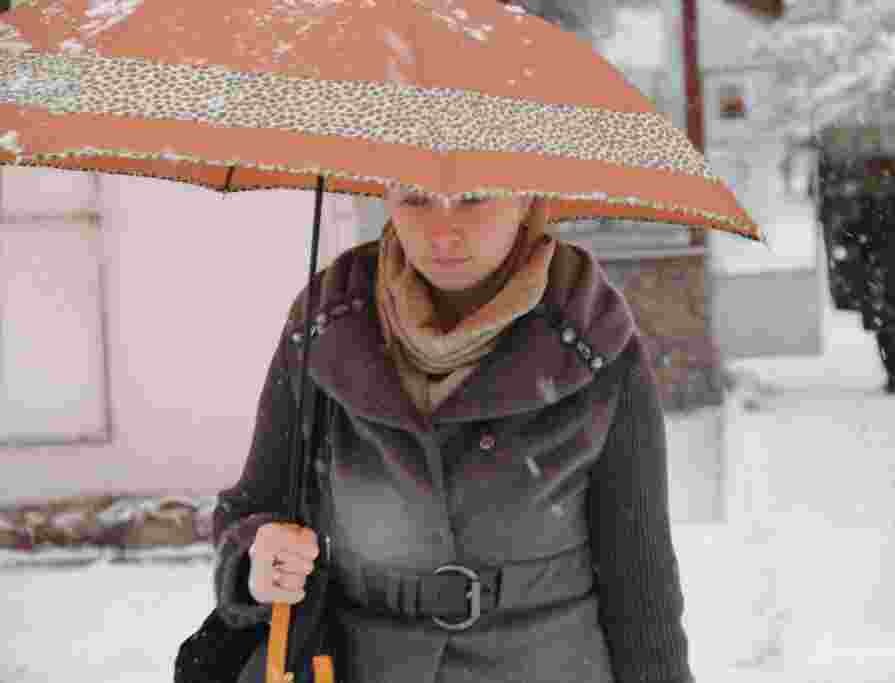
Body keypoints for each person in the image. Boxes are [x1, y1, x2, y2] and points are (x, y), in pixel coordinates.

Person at [211, 187, 695, 683]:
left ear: (526, 198)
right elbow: (254, 507)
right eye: (415, 197)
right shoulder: (327, 323)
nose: (442, 232)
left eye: (473, 197)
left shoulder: (592, 336)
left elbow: (640, 578)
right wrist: (257, 562)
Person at [817, 154, 895, 395]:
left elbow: (856, 230)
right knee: (891, 322)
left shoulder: (870, 197)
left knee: (884, 323)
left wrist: (844, 233)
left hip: (876, 265)